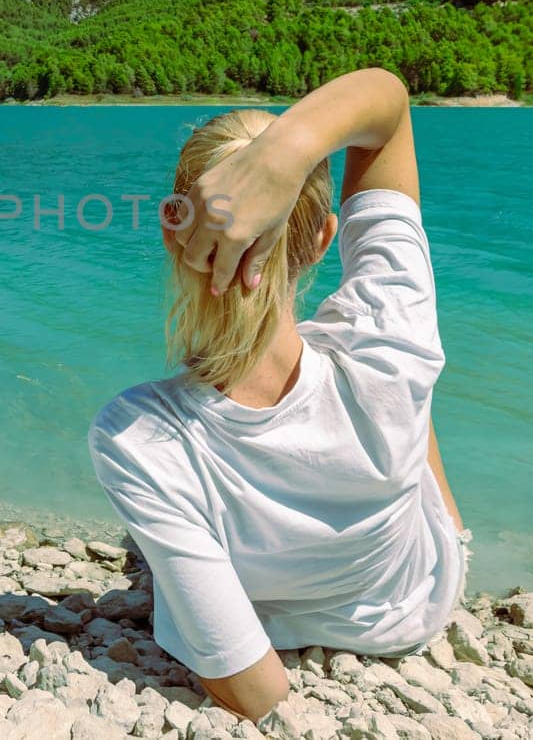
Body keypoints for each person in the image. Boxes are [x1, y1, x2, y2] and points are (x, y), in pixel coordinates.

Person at [87, 68, 469, 723]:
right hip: (419, 601)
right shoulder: (387, 326)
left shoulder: (137, 436)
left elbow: (257, 693)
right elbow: (387, 106)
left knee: (164, 498)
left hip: (272, 613)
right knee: (397, 369)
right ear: (324, 235)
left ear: (171, 228)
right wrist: (291, 149)